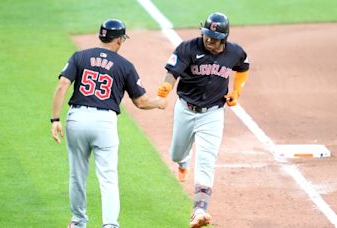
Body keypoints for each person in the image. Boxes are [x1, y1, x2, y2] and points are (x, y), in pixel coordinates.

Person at [50, 19, 167, 228]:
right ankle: (110, 225)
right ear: (120, 40)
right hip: (104, 123)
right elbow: (140, 102)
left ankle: (78, 223)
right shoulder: (125, 66)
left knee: (77, 176)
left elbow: (62, 86)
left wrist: (55, 119)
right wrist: (159, 103)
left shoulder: (79, 56)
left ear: (101, 36)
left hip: (76, 119)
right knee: (108, 178)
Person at [157, 12, 250, 228]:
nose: (208, 39)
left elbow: (243, 67)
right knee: (176, 153)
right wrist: (165, 89)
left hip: (213, 114)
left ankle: (199, 210)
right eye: (206, 35)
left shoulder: (235, 52)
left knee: (206, 162)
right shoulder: (188, 48)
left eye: (214, 37)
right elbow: (172, 72)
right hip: (186, 109)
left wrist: (236, 91)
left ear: (224, 37)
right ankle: (183, 162)